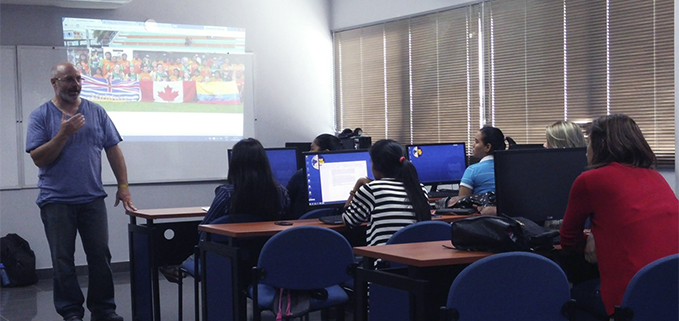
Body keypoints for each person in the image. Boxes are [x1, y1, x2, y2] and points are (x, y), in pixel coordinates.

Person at [25, 62, 135, 321]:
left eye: (78, 79)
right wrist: (63, 134)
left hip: (92, 199)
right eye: (68, 80)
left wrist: (123, 187)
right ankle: (71, 312)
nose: (75, 85)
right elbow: (39, 158)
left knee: (100, 257)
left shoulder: (96, 112)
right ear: (55, 83)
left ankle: (104, 309)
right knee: (63, 260)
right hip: (56, 200)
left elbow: (113, 149)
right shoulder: (40, 116)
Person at [560, 114, 678, 319]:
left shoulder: (590, 180)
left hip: (628, 301)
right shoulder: (655, 177)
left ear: (600, 145)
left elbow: (568, 240)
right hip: (670, 292)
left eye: (589, 143)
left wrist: (589, 241)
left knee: (566, 295)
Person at [160, 138, 291, 280]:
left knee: (194, 256)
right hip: (264, 259)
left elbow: (204, 229)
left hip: (225, 259)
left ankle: (181, 267)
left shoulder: (227, 194)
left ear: (235, 164)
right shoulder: (281, 193)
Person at [342, 139, 431, 247]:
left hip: (384, 260)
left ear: (376, 166)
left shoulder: (371, 189)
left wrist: (357, 187)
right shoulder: (419, 188)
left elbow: (348, 221)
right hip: (415, 259)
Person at [446, 126, 511, 215]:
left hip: (482, 223)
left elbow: (461, 204)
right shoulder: (511, 168)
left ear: (487, 147)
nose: (473, 145)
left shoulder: (472, 170)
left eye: (476, 142)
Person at [286, 134, 342, 219]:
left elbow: (286, 203)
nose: (309, 152)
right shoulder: (343, 175)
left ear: (325, 152)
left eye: (312, 149)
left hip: (302, 228)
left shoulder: (302, 175)